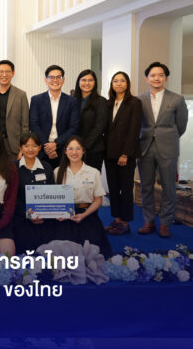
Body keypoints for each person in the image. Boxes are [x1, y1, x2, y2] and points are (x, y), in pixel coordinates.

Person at [137, 62, 188, 238]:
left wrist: (168, 137)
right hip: (144, 147)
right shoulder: (139, 99)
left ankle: (165, 223)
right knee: (146, 187)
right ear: (147, 78)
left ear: (166, 78)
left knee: (169, 187)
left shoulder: (177, 99)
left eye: (160, 75)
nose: (156, 78)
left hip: (168, 148)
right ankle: (149, 221)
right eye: (153, 75)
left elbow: (181, 125)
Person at [53, 136, 112, 257]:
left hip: (87, 215)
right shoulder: (57, 172)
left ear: (83, 151)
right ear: (65, 151)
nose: (74, 152)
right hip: (64, 217)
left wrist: (84, 215)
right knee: (62, 252)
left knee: (91, 252)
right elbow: (52, 198)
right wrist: (58, 214)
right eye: (70, 148)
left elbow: (98, 200)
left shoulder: (93, 172)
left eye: (78, 149)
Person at [104, 71, 143, 236]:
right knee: (113, 189)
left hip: (126, 154)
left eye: (122, 81)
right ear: (112, 84)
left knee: (125, 189)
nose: (119, 83)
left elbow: (134, 130)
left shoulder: (134, 102)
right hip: (109, 153)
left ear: (127, 83)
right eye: (115, 81)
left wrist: (125, 154)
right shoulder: (109, 103)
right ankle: (117, 219)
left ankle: (125, 223)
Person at [29, 64, 79, 169]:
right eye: (51, 77)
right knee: (42, 178)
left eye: (58, 77)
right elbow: (34, 125)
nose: (55, 80)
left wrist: (56, 144)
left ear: (63, 80)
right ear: (46, 80)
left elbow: (74, 127)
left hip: (63, 149)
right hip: (42, 149)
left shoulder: (71, 101)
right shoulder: (36, 100)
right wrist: (47, 146)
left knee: (62, 178)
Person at [13, 132, 56, 253]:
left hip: (45, 219)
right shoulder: (13, 168)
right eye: (26, 146)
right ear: (20, 148)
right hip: (22, 218)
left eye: (34, 146)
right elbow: (12, 197)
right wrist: (27, 213)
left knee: (49, 251)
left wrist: (44, 214)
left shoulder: (47, 167)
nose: (30, 149)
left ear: (40, 148)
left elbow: (52, 194)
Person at [0, 60, 29, 158]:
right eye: (1, 71)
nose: (4, 75)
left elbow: (25, 125)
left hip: (14, 144)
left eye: (8, 71)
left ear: (13, 73)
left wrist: (23, 148)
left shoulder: (21, 95)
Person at [74, 70, 108, 171]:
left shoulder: (101, 101)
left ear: (95, 83)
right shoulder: (72, 101)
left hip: (94, 149)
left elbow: (100, 126)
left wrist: (84, 146)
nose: (87, 83)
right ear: (78, 82)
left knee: (91, 179)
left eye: (90, 80)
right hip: (74, 149)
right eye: (84, 80)